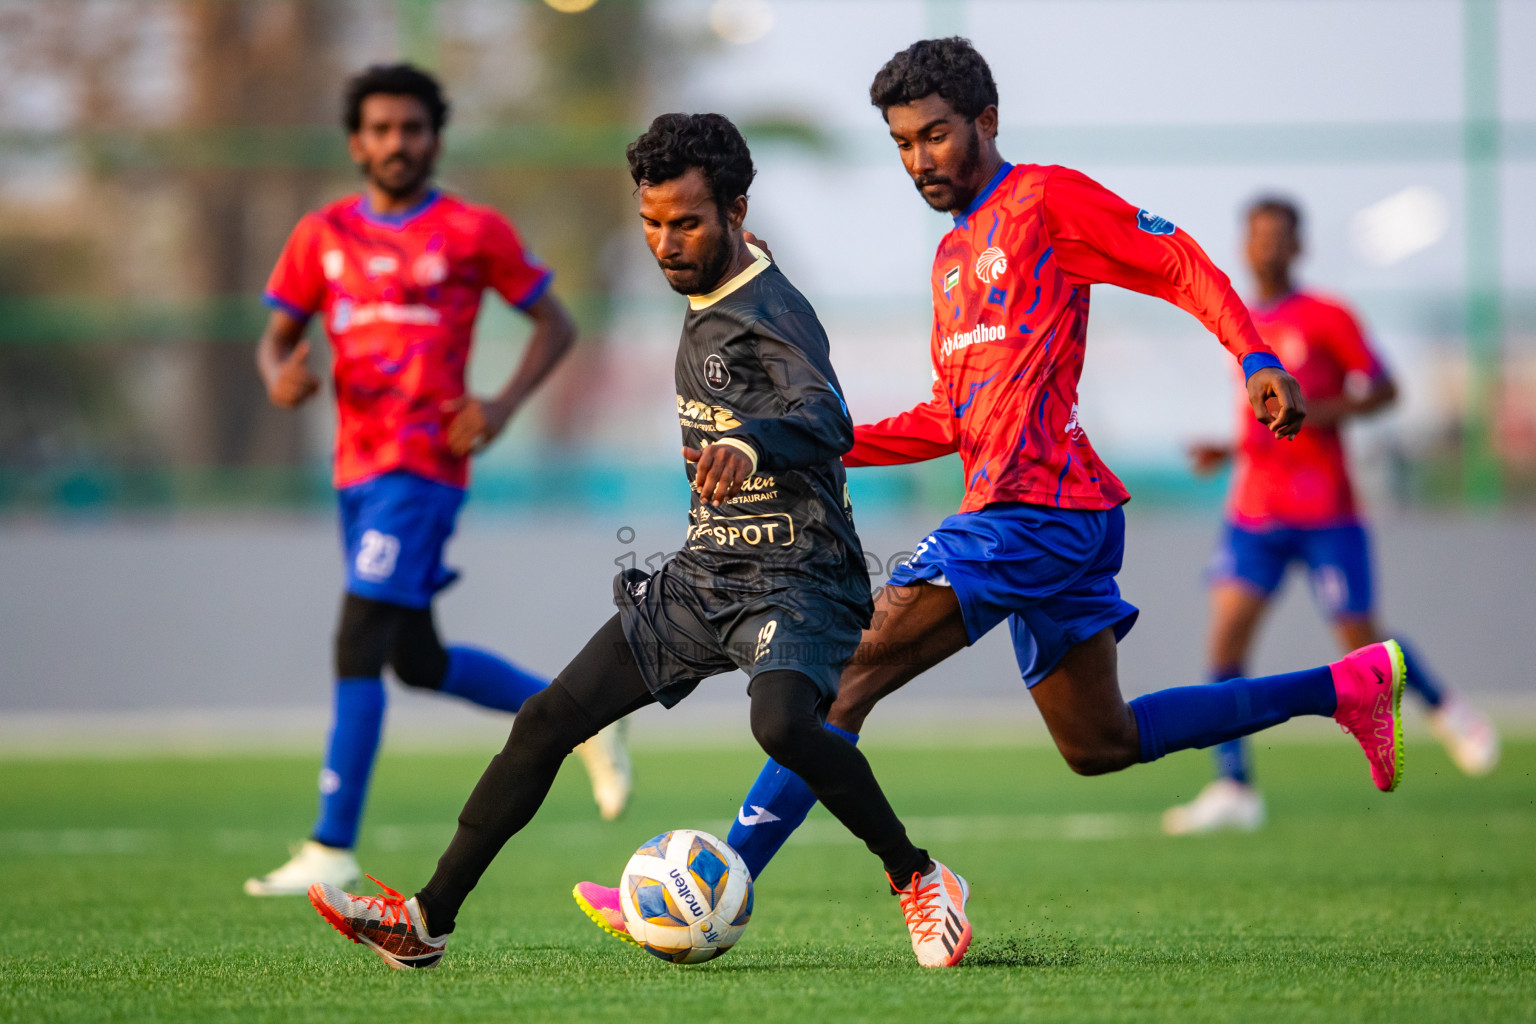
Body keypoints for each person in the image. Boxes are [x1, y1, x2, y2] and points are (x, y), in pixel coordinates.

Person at [573, 37, 1409, 938]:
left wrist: (1254, 354)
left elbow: (1174, 260)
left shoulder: (1045, 201)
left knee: (845, 676)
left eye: (934, 135)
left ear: (986, 121)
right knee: (1101, 744)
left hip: (1032, 512)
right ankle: (1348, 687)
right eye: (901, 143)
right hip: (1056, 518)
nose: (918, 160)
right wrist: (798, 446)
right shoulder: (949, 261)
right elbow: (949, 417)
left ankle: (713, 887)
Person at [307, 112, 975, 970]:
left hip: (801, 577)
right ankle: (426, 921)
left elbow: (826, 416)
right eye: (652, 222)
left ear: (735, 211)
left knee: (780, 726)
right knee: (549, 719)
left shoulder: (770, 313)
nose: (665, 241)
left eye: (687, 222)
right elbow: (737, 272)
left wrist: (749, 441)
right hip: (708, 574)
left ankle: (918, 876)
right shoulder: (720, 276)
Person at [245, 63, 630, 897]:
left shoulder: (470, 230)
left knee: (357, 642)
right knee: (417, 660)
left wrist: (501, 405)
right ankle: (582, 721)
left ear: (435, 139)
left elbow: (554, 324)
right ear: (357, 142)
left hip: (422, 472)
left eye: (412, 128)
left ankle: (330, 845)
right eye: (380, 129)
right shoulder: (322, 236)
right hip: (356, 472)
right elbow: (275, 338)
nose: (396, 143)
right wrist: (279, 372)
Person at [1162, 196, 1499, 835]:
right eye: (1256, 235)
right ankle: (1234, 786)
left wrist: (1319, 412)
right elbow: (1266, 427)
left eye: (1278, 237)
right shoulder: (1242, 323)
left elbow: (1385, 388)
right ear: (1244, 245)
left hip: (1325, 510)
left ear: (1299, 247)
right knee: (1225, 642)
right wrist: (1228, 448)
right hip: (1255, 511)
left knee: (1360, 641)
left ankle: (1447, 709)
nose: (1266, 248)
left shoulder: (1327, 316)